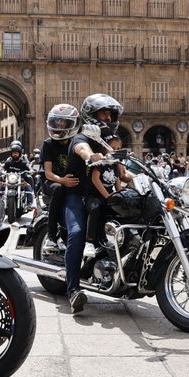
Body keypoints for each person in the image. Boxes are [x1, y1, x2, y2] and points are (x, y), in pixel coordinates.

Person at [62, 93, 123, 314]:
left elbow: (120, 169)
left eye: (110, 114)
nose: (108, 118)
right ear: (91, 115)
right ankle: (73, 290)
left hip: (100, 194)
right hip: (77, 195)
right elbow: (82, 149)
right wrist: (90, 156)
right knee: (77, 233)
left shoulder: (108, 142)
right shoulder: (82, 138)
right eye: (103, 114)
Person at [40, 103, 80, 250]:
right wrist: (62, 181)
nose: (59, 125)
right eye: (56, 122)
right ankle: (51, 236)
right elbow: (48, 173)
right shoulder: (48, 144)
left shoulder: (76, 143)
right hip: (51, 182)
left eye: (63, 122)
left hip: (69, 181)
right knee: (59, 189)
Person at [84, 134, 123, 260]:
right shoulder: (101, 161)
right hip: (94, 196)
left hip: (108, 197)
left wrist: (122, 197)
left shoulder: (116, 165)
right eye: (112, 148)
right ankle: (89, 242)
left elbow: (118, 184)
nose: (115, 151)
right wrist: (108, 196)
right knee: (96, 208)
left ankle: (115, 239)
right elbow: (95, 179)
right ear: (105, 148)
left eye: (118, 149)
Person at [0, 140, 33, 206]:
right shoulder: (8, 162)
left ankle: (29, 203)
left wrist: (31, 170)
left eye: (16, 153)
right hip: (9, 181)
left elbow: (29, 168)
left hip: (21, 181)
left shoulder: (23, 163)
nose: (15, 155)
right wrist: (0, 171)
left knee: (28, 186)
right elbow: (3, 168)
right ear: (11, 154)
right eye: (13, 153)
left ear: (19, 154)